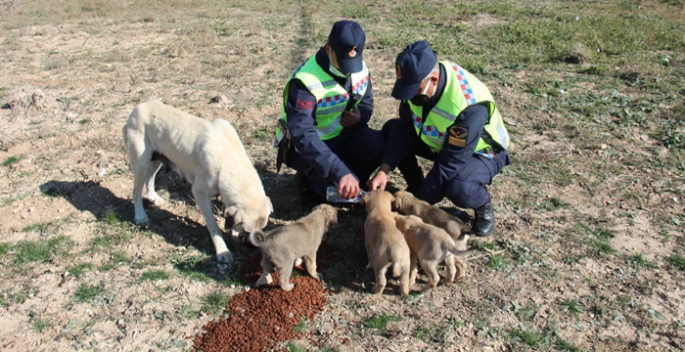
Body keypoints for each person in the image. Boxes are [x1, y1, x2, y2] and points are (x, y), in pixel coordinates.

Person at [369, 40, 511, 237]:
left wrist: (415, 206)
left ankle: (482, 205)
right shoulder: (419, 83)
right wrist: (384, 170)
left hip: (481, 152)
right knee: (392, 129)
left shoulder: (468, 106)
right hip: (444, 143)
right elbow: (404, 130)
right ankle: (416, 184)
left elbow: (448, 164)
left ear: (434, 80)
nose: (409, 97)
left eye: (414, 90)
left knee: (460, 187)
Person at [275, 20, 384, 208]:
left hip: (342, 136)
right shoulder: (305, 81)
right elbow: (302, 134)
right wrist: (339, 171)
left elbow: (366, 103)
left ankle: (350, 177)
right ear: (328, 49)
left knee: (378, 145)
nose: (347, 69)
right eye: (342, 62)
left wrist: (360, 117)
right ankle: (309, 183)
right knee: (340, 196)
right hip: (308, 148)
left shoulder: (361, 70)